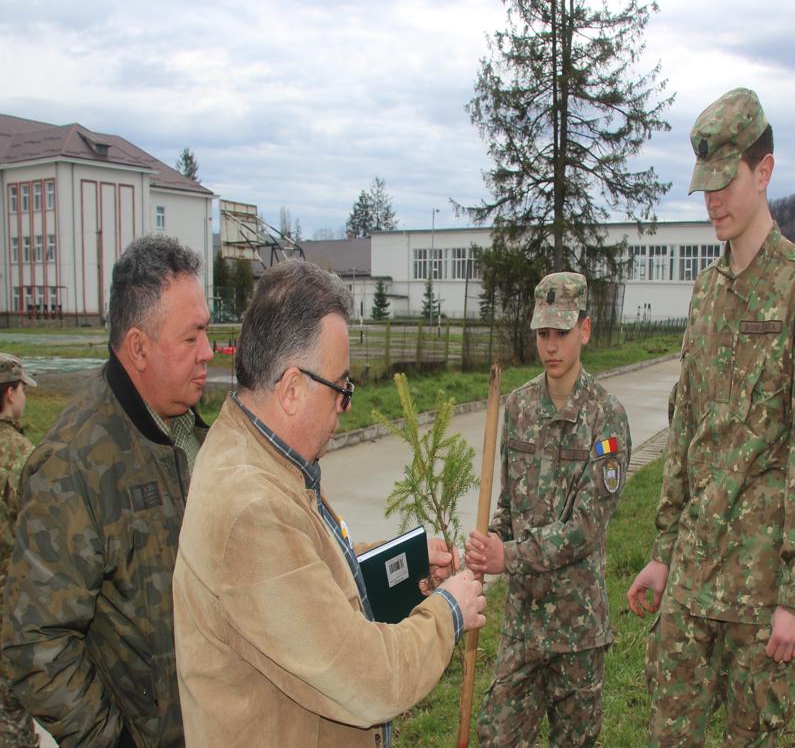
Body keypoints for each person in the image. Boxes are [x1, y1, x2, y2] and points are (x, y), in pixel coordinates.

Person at [172, 260, 486, 748]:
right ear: (293, 389)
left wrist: (399, 564)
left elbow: (302, 576)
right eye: (341, 389)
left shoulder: (259, 456)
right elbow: (370, 682)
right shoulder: (251, 508)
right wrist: (450, 611)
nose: (346, 405)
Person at [626, 87, 795, 746]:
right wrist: (663, 553)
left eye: (726, 183)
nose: (712, 200)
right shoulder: (706, 294)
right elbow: (686, 431)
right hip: (692, 577)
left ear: (764, 171)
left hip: (760, 588)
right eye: (705, 186)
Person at [2, 236, 213, 748]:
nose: (208, 352)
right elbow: (35, 645)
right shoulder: (72, 466)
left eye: (206, 332)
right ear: (138, 348)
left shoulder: (194, 434)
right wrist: (111, 741)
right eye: (191, 338)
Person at [466, 272, 631, 747]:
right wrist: (488, 544)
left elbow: (586, 527)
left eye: (562, 332)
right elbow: (509, 507)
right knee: (496, 737)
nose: (551, 346)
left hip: (577, 629)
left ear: (585, 330)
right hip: (522, 625)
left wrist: (509, 556)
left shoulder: (606, 416)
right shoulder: (517, 408)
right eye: (543, 333)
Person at [0, 354, 38, 748]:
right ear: (11, 393)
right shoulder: (23, 457)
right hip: (9, 615)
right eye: (22, 389)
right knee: (12, 721)